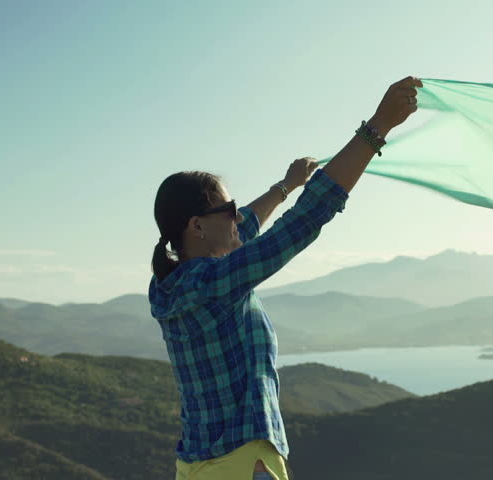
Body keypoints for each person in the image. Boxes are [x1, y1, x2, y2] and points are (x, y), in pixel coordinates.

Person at [149, 76, 424, 480]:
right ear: (197, 226)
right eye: (229, 208)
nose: (238, 215)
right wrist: (376, 127)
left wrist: (285, 186)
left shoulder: (171, 285)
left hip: (196, 468)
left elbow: (247, 232)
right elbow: (303, 222)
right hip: (241, 466)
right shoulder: (212, 283)